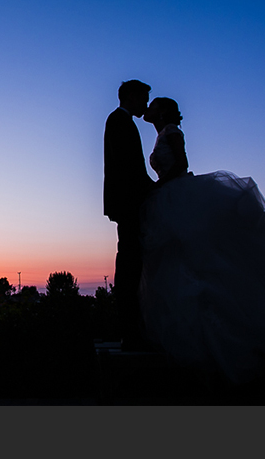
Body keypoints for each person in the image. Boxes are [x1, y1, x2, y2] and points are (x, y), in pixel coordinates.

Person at [138, 97, 265, 383]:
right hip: (170, 196)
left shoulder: (172, 131)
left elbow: (182, 163)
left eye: (152, 106)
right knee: (182, 264)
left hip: (177, 195)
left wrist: (159, 186)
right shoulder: (162, 133)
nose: (147, 109)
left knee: (196, 262)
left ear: (161, 111)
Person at [103, 80, 155, 350]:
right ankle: (130, 330)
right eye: (144, 98)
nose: (146, 104)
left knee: (131, 261)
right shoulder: (119, 121)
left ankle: (132, 329)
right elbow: (128, 167)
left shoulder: (121, 121)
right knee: (129, 264)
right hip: (128, 202)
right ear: (131, 97)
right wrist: (152, 188)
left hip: (128, 202)